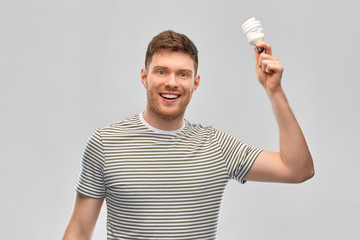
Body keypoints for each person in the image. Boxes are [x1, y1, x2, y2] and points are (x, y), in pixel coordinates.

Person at [63, 30, 314, 240]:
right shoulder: (106, 143)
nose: (172, 82)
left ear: (195, 83)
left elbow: (297, 170)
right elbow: (79, 230)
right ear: (144, 77)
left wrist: (275, 91)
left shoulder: (216, 146)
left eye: (183, 74)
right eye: (161, 71)